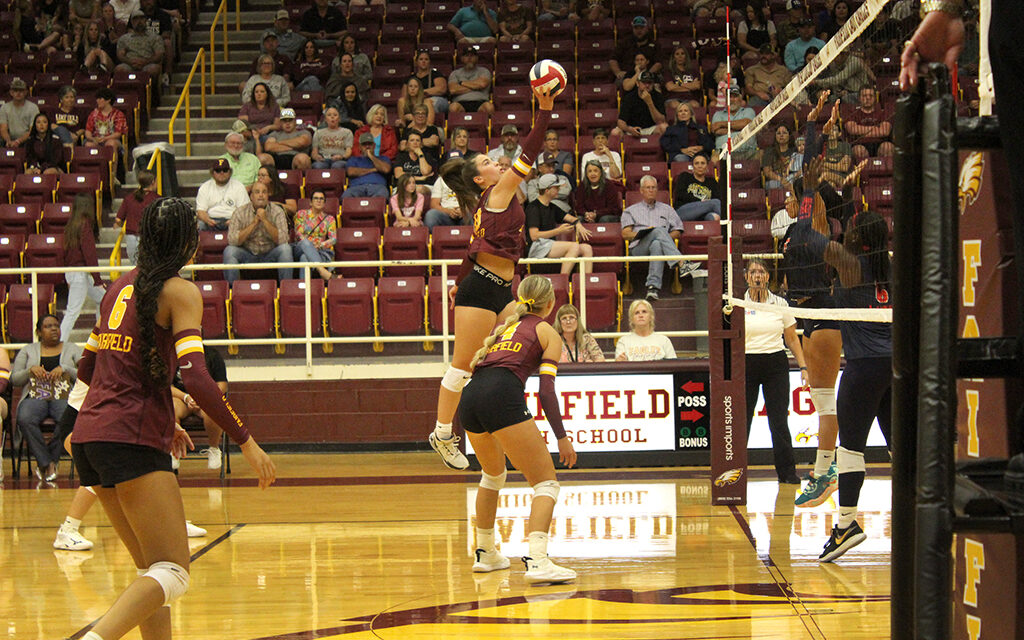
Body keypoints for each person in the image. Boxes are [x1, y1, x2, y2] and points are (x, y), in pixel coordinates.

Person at [65, 197, 274, 640]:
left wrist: (157, 413)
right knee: (174, 573)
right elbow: (197, 378)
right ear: (188, 243)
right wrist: (246, 440)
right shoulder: (180, 290)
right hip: (128, 438)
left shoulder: (119, 287)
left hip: (92, 437)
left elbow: (89, 367)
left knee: (151, 572)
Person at [428, 82, 555, 471]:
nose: (495, 162)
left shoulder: (494, 198)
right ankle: (443, 432)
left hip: (499, 287)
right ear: (481, 180)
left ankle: (496, 419)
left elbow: (472, 247)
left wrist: (454, 282)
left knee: (504, 356)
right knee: (464, 364)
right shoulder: (499, 192)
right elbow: (530, 153)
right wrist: (546, 110)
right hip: (483, 288)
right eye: (486, 162)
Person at [458, 275, 578, 583]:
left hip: (470, 397)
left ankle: (485, 553)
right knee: (546, 484)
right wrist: (562, 438)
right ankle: (537, 559)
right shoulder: (547, 331)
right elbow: (547, 392)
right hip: (501, 394)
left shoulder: (503, 328)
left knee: (492, 475)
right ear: (550, 304)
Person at [807, 209, 892, 561]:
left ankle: (846, 526)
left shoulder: (851, 264)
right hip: (897, 367)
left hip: (863, 369)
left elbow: (808, 240)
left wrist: (810, 200)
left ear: (858, 237)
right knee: (900, 449)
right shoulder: (892, 266)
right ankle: (923, 516)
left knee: (850, 449)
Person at [779, 157, 842, 508]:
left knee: (825, 400)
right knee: (821, 399)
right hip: (803, 314)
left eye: (801, 198)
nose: (795, 202)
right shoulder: (793, 233)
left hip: (822, 315)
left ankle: (824, 472)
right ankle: (830, 469)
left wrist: (816, 126)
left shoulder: (816, 224)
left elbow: (809, 183)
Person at [742, 257, 808, 485]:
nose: (757, 276)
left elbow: (791, 338)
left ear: (768, 277)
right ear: (746, 277)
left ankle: (787, 473)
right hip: (747, 365)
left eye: (761, 272)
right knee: (742, 421)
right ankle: (736, 472)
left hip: (775, 365)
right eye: (753, 272)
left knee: (778, 421)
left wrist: (804, 366)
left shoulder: (781, 304)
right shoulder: (737, 303)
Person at [12, 314, 82, 482]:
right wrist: (30, 371)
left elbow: (85, 375)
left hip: (63, 396)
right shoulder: (28, 350)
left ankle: (48, 460)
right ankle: (47, 462)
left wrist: (66, 369)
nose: (53, 329)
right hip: (36, 396)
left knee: (68, 418)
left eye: (56, 326)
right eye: (48, 326)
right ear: (39, 331)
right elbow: (14, 379)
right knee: (25, 417)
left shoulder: (72, 348)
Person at [623, 175, 700, 301]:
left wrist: (662, 239)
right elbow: (625, 234)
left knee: (657, 243)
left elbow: (678, 231)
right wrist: (645, 234)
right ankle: (682, 262)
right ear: (641, 190)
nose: (651, 190)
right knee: (658, 230)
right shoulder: (630, 210)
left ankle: (652, 288)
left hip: (659, 245)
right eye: (648, 188)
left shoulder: (667, 209)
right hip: (638, 247)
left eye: (653, 187)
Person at [171, 343, 230, 470]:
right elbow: (167, 387)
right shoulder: (172, 355)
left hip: (206, 400)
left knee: (215, 408)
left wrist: (205, 397)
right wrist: (186, 397)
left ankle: (214, 448)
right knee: (171, 406)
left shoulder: (212, 354)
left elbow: (222, 386)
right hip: (182, 399)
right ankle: (174, 451)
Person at [224, 181, 293, 283]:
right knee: (230, 251)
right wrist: (254, 223)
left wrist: (265, 220)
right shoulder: (240, 212)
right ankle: (232, 290)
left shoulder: (277, 211)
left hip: (270, 253)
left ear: (268, 195)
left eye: (264, 192)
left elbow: (283, 239)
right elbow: (232, 240)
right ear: (251, 196)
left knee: (285, 249)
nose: (261, 195)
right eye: (257, 192)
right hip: (248, 254)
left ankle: (286, 289)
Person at [526, 174, 593, 275]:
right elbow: (534, 236)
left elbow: (572, 219)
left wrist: (578, 224)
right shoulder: (533, 208)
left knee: (587, 248)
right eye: (556, 188)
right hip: (536, 247)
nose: (558, 190)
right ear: (547, 190)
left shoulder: (552, 206)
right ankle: (563, 281)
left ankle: (586, 284)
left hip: (549, 244)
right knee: (574, 247)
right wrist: (558, 231)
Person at [62, 194, 107, 339]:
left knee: (103, 299)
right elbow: (90, 254)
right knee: (72, 312)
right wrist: (98, 279)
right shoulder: (85, 225)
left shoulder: (71, 225)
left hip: (74, 272)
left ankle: (100, 336)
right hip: (80, 274)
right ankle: (58, 344)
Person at [291, 189, 337, 281]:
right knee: (306, 243)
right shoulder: (301, 214)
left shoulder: (329, 219)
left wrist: (320, 245)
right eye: (316, 198)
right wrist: (311, 245)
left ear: (324, 203)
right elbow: (298, 234)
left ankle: (304, 289)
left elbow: (333, 239)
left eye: (321, 199)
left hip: (319, 250)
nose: (318, 200)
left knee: (304, 258)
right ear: (311, 202)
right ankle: (322, 270)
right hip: (300, 247)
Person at [115, 169, 159, 263]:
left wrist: (119, 224)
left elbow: (118, 219)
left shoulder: (129, 198)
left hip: (131, 238)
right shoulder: (157, 199)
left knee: (135, 269)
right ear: (152, 182)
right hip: (148, 238)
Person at [611, 71, 668, 140]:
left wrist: (649, 103)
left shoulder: (658, 97)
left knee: (664, 127)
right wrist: (629, 129)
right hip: (632, 128)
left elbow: (661, 121)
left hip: (651, 128)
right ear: (637, 83)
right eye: (644, 82)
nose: (647, 85)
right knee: (615, 132)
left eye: (649, 83)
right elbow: (620, 122)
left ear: (653, 84)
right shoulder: (629, 97)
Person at [196, 158, 250, 230]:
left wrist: (234, 221)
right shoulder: (205, 187)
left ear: (230, 172)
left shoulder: (239, 186)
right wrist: (208, 220)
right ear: (212, 173)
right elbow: (200, 211)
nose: (221, 173)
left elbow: (244, 211)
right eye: (218, 170)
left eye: (225, 170)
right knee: (200, 225)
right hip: (211, 220)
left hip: (233, 220)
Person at [843, 87, 893, 162]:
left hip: (880, 143)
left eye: (871, 96)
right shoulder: (851, 112)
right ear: (859, 98)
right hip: (859, 144)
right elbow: (852, 130)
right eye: (864, 96)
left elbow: (885, 131)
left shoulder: (883, 111)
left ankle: (886, 172)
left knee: (888, 147)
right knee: (859, 151)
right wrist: (878, 129)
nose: (868, 98)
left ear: (875, 98)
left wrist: (860, 131)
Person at [610, 15, 662, 83]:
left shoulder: (655, 45)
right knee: (619, 82)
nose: (639, 30)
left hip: (648, 75)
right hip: (627, 76)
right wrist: (618, 72)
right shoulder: (624, 42)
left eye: (641, 28)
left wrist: (646, 75)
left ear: (647, 28)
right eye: (636, 28)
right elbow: (613, 60)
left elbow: (658, 63)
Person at [672, 153, 722, 221]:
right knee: (715, 203)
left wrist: (705, 205)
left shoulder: (712, 182)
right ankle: (729, 227)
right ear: (693, 166)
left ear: (707, 166)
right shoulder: (685, 176)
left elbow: (718, 198)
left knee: (713, 217)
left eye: (702, 163)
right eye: (697, 163)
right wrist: (701, 201)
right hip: (683, 211)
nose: (700, 166)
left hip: (704, 212)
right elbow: (680, 195)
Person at [711, 87, 758, 159]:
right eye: (729, 97)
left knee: (759, 155)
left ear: (740, 99)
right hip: (724, 152)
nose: (732, 100)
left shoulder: (749, 111)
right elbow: (716, 130)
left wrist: (721, 124)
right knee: (714, 159)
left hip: (747, 151)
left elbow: (746, 123)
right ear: (726, 99)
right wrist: (741, 130)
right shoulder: (718, 114)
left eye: (735, 97)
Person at [115, 9, 163, 77]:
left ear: (145, 20)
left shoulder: (155, 37)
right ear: (131, 22)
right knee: (120, 69)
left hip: (148, 63)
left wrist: (145, 62)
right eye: (136, 19)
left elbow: (159, 54)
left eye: (141, 18)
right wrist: (130, 62)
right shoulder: (124, 38)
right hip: (129, 64)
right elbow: (120, 55)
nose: (139, 21)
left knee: (153, 69)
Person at [448, 45, 495, 114]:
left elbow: (482, 84)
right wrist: (476, 86)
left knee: (489, 107)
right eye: (466, 56)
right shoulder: (455, 73)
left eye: (472, 56)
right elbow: (453, 90)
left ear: (477, 58)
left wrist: (461, 83)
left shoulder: (484, 71)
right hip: (460, 102)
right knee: (453, 107)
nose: (469, 58)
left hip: (481, 102)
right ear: (462, 58)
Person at [342, 132, 391, 198]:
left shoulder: (383, 158)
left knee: (382, 195)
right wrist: (374, 169)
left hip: (378, 187)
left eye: (370, 144)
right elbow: (351, 172)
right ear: (360, 147)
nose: (367, 147)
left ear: (374, 145)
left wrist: (371, 156)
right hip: (356, 187)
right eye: (364, 144)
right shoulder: (354, 159)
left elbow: (386, 169)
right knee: (346, 196)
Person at [745, 44, 792, 108]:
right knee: (752, 105)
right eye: (761, 53)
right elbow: (748, 88)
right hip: (759, 97)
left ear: (773, 55)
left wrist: (781, 90)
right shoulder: (751, 70)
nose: (763, 56)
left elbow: (790, 87)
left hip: (780, 96)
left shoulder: (784, 70)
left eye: (767, 54)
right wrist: (758, 93)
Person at [84, 88, 127, 155]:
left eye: (100, 98)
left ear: (108, 100)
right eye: (97, 99)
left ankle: (112, 165)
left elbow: (118, 133)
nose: (97, 101)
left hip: (111, 139)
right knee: (89, 145)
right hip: (96, 139)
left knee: (110, 144)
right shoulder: (93, 114)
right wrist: (92, 139)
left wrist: (105, 138)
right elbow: (88, 131)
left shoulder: (118, 114)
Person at [408, 48, 450, 114]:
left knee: (429, 103)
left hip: (436, 99)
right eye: (421, 59)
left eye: (426, 59)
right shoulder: (411, 78)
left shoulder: (436, 74)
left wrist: (421, 92)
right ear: (416, 62)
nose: (423, 61)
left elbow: (441, 89)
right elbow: (405, 94)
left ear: (429, 62)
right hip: (416, 100)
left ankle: (428, 123)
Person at [1, 79, 40, 148]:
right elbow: (3, 128)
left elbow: (32, 130)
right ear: (11, 92)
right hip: (8, 140)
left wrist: (18, 141)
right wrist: (8, 141)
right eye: (15, 91)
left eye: (21, 91)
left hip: (28, 140)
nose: (18, 93)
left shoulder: (33, 107)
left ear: (25, 92)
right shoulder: (4, 108)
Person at [663, 45, 702, 112]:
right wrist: (690, 86)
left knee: (695, 105)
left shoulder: (693, 71)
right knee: (675, 105)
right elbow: (670, 87)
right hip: (673, 98)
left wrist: (678, 84)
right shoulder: (669, 72)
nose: (680, 56)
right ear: (674, 57)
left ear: (686, 56)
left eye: (682, 54)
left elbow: (697, 86)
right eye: (677, 54)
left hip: (690, 98)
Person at [761, 124, 796, 190]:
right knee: (773, 185)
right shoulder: (769, 151)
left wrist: (789, 179)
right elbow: (767, 172)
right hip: (776, 180)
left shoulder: (795, 151)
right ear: (775, 136)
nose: (781, 135)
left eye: (784, 133)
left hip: (792, 179)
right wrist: (781, 179)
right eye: (778, 133)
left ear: (789, 136)